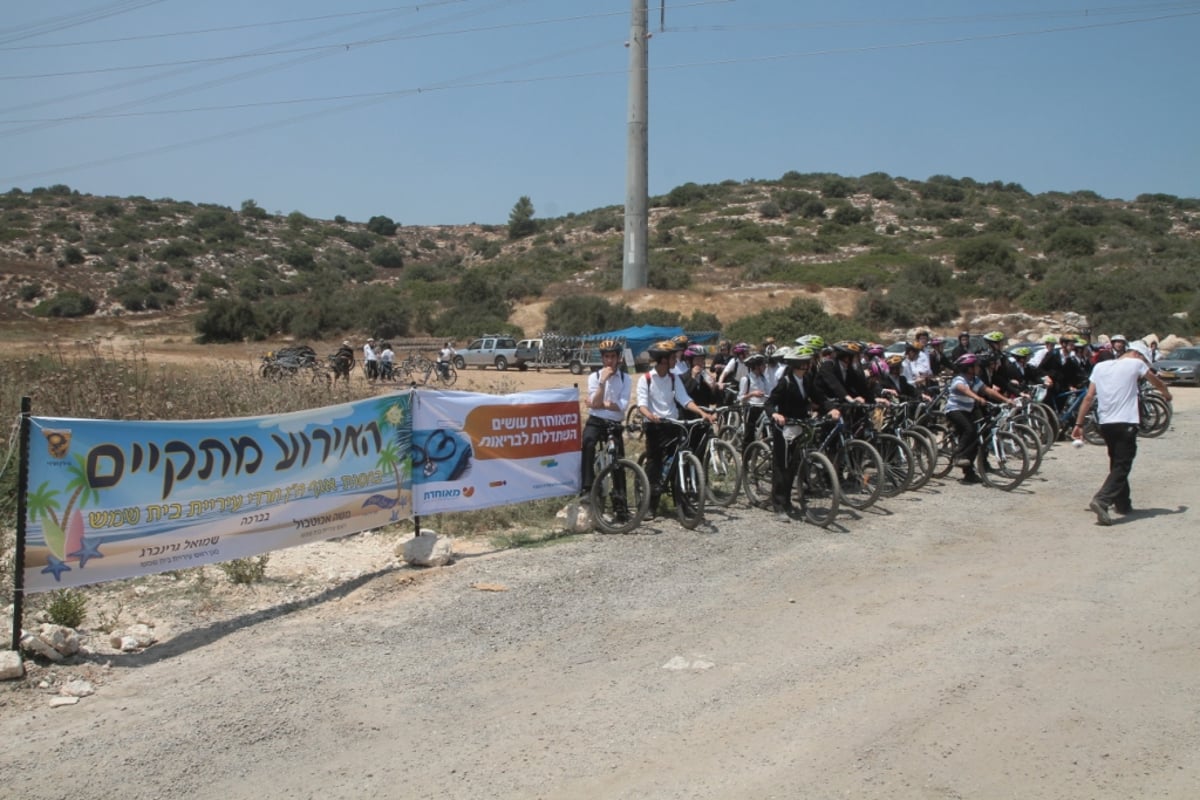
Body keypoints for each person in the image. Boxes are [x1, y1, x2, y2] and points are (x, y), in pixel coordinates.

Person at [1073, 340, 1172, 525]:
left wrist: (1078, 424)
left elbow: (1088, 397)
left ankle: (1123, 504)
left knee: (1117, 460)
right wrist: (1166, 394)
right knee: (1123, 464)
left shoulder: (1100, 366)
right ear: (1138, 354)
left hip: (1105, 424)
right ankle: (1102, 500)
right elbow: (1155, 381)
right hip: (1126, 422)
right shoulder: (1136, 363)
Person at [637, 340, 716, 518]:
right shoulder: (646, 379)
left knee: (680, 462)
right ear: (663, 359)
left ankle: (682, 503)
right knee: (654, 463)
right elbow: (641, 404)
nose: (676, 359)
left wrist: (701, 412)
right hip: (655, 426)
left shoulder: (674, 378)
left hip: (673, 424)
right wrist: (650, 415)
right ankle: (650, 505)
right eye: (673, 357)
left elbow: (684, 399)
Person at [764, 346, 821, 522]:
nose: (809, 365)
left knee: (793, 466)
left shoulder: (807, 380)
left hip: (800, 425)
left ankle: (787, 501)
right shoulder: (786, 382)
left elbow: (820, 397)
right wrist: (775, 414)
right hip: (785, 427)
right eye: (806, 363)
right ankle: (778, 504)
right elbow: (770, 402)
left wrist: (832, 409)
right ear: (798, 364)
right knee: (782, 466)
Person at [944, 353, 1016, 484]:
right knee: (969, 430)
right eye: (975, 366)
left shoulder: (975, 380)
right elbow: (964, 389)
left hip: (968, 410)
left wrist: (1006, 400)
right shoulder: (959, 379)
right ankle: (958, 455)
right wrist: (977, 398)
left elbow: (988, 390)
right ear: (969, 368)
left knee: (976, 441)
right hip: (954, 410)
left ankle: (969, 474)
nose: (978, 368)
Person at [579, 340, 630, 514]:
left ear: (618, 358)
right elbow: (594, 404)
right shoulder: (594, 377)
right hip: (596, 420)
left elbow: (622, 405)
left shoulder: (626, 378)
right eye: (606, 357)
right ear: (602, 359)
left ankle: (620, 500)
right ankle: (587, 488)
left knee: (618, 458)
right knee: (587, 442)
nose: (610, 360)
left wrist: (599, 403)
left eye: (613, 356)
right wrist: (602, 382)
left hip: (614, 422)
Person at [738, 353, 771, 445]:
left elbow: (769, 392)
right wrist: (752, 394)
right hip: (751, 408)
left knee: (767, 430)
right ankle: (746, 456)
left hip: (763, 407)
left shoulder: (763, 379)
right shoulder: (746, 379)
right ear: (757, 366)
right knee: (749, 434)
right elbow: (740, 398)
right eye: (763, 365)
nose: (765, 367)